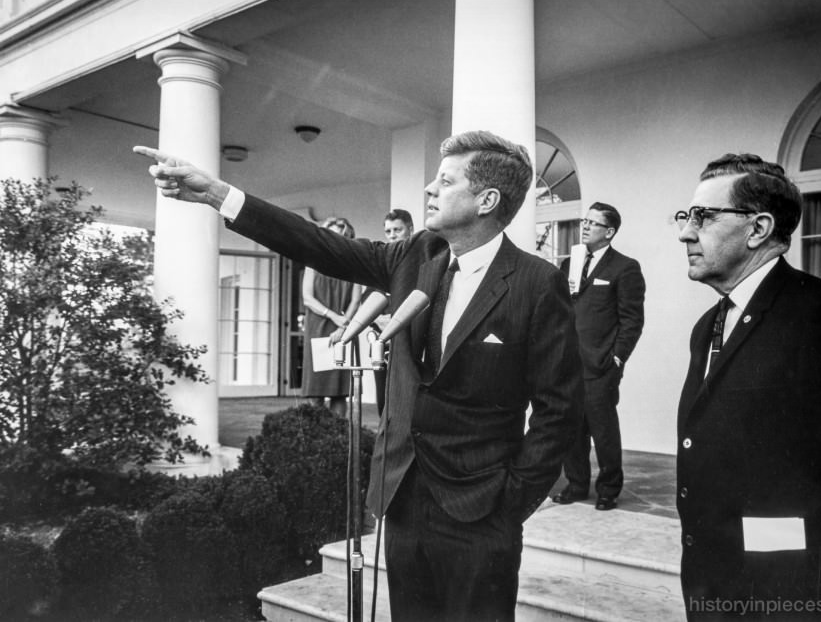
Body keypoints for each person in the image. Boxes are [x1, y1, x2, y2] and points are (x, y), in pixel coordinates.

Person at [133, 130, 581, 622]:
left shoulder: (538, 284)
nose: (429, 189)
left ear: (487, 200)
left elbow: (559, 409)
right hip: (403, 497)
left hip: (481, 511)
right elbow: (320, 245)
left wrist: (512, 502)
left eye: (445, 181)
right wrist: (218, 194)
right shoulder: (416, 255)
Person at [675, 153, 821, 620]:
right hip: (714, 584)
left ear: (759, 228)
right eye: (686, 216)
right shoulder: (709, 325)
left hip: (793, 594)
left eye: (704, 216)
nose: (686, 232)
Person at [553, 202, 645, 511]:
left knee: (603, 430)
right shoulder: (571, 263)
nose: (586, 226)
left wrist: (617, 358)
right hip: (569, 364)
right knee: (572, 428)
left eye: (594, 222)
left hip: (601, 365)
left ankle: (608, 489)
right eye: (585, 220)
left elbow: (632, 320)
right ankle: (577, 484)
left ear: (610, 232)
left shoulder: (625, 267)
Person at [301, 216, 362, 417]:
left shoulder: (352, 264)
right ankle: (316, 438)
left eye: (340, 236)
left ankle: (338, 439)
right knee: (315, 392)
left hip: (343, 330)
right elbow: (307, 298)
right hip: (317, 328)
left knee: (339, 393)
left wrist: (342, 328)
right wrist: (334, 317)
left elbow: (355, 301)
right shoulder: (313, 262)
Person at [370, 208, 414, 416]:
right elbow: (369, 299)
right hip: (383, 342)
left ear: (410, 230)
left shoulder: (422, 259)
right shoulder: (381, 262)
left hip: (411, 340)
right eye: (388, 231)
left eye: (398, 229)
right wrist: (377, 319)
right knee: (383, 401)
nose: (393, 235)